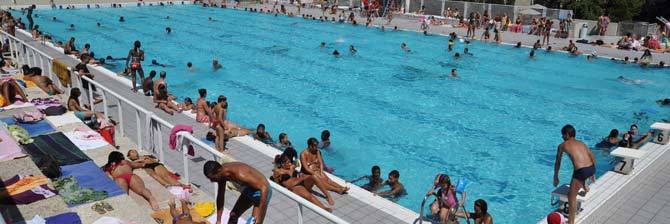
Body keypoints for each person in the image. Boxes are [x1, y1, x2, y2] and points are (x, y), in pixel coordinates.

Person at [553, 124, 596, 224]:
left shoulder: (562, 145)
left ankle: (571, 221)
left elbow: (557, 162)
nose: (562, 137)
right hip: (591, 168)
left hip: (582, 171)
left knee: (571, 195)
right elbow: (591, 156)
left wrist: (555, 176)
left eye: (563, 135)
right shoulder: (581, 143)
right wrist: (593, 173)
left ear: (567, 134)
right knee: (579, 176)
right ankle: (585, 187)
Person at [204, 161, 271, 224]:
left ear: (219, 171)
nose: (211, 181)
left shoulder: (240, 174)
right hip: (250, 188)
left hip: (262, 191)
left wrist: (260, 215)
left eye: (212, 178)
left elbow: (264, 188)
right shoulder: (221, 175)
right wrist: (218, 220)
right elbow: (220, 197)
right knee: (233, 215)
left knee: (254, 222)